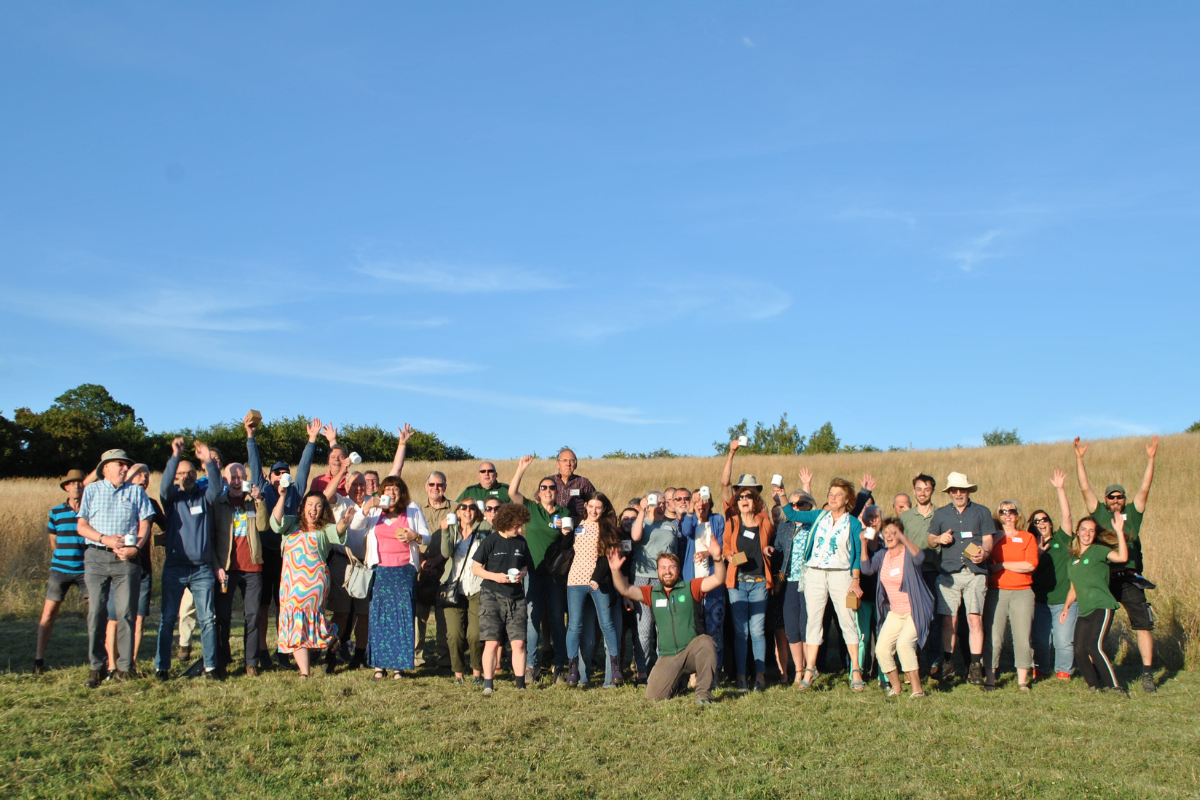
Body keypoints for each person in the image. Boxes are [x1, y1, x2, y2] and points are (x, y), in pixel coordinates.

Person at [1074, 435, 1159, 693]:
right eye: (1111, 497)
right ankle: (1096, 675)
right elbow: (1084, 488)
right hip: (1103, 578)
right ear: (1106, 499)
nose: (1115, 500)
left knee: (1142, 624)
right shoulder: (1099, 513)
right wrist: (1079, 460)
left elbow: (1144, 488)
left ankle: (1147, 674)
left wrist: (1151, 459)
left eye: (1119, 496)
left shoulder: (1133, 512)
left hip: (1130, 577)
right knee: (1092, 624)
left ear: (1124, 498)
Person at [607, 535, 728, 703]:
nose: (668, 571)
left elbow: (718, 579)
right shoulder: (652, 593)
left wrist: (717, 557)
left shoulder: (691, 587)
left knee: (706, 642)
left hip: (691, 651)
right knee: (653, 697)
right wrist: (615, 571)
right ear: (657, 571)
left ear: (678, 570)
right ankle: (680, 681)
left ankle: (703, 694)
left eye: (672, 567)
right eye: (663, 568)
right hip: (668, 656)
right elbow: (625, 589)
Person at [777, 475, 866, 692]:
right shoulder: (819, 516)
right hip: (815, 574)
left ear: (847, 500)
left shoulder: (853, 523)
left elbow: (855, 555)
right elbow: (790, 514)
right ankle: (810, 669)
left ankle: (855, 669)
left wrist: (855, 580)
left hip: (841, 575)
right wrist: (781, 494)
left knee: (847, 621)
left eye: (838, 495)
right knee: (813, 621)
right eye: (831, 494)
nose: (833, 498)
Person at [75, 449, 155, 687]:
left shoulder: (135, 492)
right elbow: (81, 525)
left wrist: (137, 548)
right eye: (120, 464)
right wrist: (104, 538)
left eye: (125, 465)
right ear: (105, 468)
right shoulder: (92, 491)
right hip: (97, 557)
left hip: (127, 561)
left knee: (127, 614)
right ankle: (96, 667)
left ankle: (125, 668)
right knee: (96, 614)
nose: (124, 468)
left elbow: (145, 524)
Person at [245, 413, 319, 669]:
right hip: (265, 553)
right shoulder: (263, 488)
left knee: (285, 605)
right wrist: (251, 437)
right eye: (276, 473)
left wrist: (311, 440)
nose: (281, 476)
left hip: (290, 559)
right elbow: (254, 465)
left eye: (284, 472)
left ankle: (284, 647)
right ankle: (263, 649)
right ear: (270, 476)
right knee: (264, 604)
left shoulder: (296, 490)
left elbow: (306, 467)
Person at [155, 439, 224, 679]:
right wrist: (175, 456)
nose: (186, 476)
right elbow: (163, 488)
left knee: (207, 618)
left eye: (190, 472)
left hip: (202, 568)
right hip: (175, 567)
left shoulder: (204, 496)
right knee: (168, 618)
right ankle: (161, 667)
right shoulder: (172, 499)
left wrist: (207, 460)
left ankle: (211, 667)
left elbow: (217, 488)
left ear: (197, 474)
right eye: (181, 473)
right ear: (176, 476)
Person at [349, 476, 430, 680]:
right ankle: (379, 665)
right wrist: (367, 506)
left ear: (402, 492)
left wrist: (415, 537)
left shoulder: (412, 509)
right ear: (381, 493)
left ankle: (398, 667)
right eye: (387, 489)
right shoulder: (376, 510)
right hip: (380, 571)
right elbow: (356, 526)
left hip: (404, 571)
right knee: (379, 618)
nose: (391, 493)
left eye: (395, 489)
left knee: (402, 618)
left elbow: (426, 536)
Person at [926, 471, 996, 686]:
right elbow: (930, 540)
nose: (958, 493)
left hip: (975, 571)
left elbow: (988, 542)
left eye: (962, 490)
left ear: (968, 491)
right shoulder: (940, 514)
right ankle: (948, 663)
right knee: (949, 620)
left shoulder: (982, 512)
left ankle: (976, 666)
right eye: (954, 490)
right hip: (948, 574)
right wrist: (939, 538)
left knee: (974, 618)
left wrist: (983, 553)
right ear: (949, 493)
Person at [507, 455, 571, 683]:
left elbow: (571, 541)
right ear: (538, 492)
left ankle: (560, 666)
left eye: (552, 487)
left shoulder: (563, 513)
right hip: (532, 573)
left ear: (556, 492)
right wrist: (521, 468)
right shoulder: (531, 510)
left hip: (555, 576)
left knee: (556, 619)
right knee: (532, 620)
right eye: (543, 487)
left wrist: (567, 533)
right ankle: (531, 666)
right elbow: (512, 493)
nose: (547, 490)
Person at [269, 489, 346, 677]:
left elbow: (338, 532)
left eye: (319, 506)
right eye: (310, 505)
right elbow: (275, 523)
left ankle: (330, 633)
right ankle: (305, 672)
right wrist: (282, 496)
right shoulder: (291, 524)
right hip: (289, 584)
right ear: (303, 507)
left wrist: (345, 520)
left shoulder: (324, 528)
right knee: (295, 625)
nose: (314, 509)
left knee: (307, 620)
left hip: (314, 584)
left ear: (323, 510)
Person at [719, 439, 776, 692]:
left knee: (759, 632)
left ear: (756, 499)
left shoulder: (764, 522)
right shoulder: (731, 519)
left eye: (749, 495)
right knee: (741, 633)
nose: (744, 499)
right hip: (737, 584)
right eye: (740, 495)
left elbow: (769, 545)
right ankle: (741, 677)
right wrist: (731, 453)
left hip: (760, 583)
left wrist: (768, 550)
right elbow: (724, 484)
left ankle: (760, 676)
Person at [859, 517, 934, 698]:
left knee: (903, 645)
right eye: (886, 533)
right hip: (895, 611)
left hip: (915, 610)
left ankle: (917, 690)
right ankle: (896, 687)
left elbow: (920, 556)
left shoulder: (907, 553)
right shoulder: (882, 555)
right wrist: (863, 544)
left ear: (900, 534)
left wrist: (904, 538)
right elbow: (867, 569)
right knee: (882, 649)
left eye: (894, 532)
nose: (889, 536)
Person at [471, 503, 534, 696]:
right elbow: (476, 568)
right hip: (491, 594)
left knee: (519, 643)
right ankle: (488, 683)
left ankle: (520, 684)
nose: (519, 529)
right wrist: (495, 576)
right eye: (516, 525)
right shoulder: (490, 541)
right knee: (492, 642)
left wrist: (522, 574)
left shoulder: (521, 543)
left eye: (521, 525)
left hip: (516, 597)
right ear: (506, 522)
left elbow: (525, 566)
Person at [214, 462, 270, 676]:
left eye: (241, 477)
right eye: (233, 477)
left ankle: (251, 662)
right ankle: (222, 657)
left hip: (252, 567)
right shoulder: (218, 503)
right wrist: (216, 565)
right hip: (227, 569)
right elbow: (211, 537)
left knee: (253, 615)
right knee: (223, 616)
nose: (237, 481)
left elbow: (263, 526)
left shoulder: (251, 503)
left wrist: (260, 501)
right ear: (226, 480)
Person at [1063, 514, 1130, 692]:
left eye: (1091, 531)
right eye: (1084, 529)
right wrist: (1066, 607)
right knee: (1079, 650)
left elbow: (1122, 557)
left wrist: (1120, 532)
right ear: (1077, 532)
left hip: (1102, 605)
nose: (1087, 533)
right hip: (1084, 610)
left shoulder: (1099, 550)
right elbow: (1073, 588)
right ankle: (1094, 686)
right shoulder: (1072, 559)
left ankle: (1115, 687)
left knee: (1094, 646)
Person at [564, 493, 623, 687]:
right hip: (575, 580)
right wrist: (563, 534)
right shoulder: (576, 524)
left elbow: (609, 557)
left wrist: (596, 579)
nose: (594, 511)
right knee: (574, 625)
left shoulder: (607, 528)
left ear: (604, 508)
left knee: (607, 624)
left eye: (598, 507)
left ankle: (614, 667)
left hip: (598, 581)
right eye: (591, 506)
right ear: (585, 506)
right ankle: (573, 668)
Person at [34, 470, 89, 674]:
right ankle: (38, 660)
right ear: (66, 487)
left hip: (86, 570)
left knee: (95, 614)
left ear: (84, 486)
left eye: (79, 483)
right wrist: (61, 559)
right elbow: (53, 542)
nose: (76, 486)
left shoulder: (91, 510)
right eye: (72, 483)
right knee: (48, 615)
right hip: (60, 570)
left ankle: (97, 659)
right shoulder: (56, 512)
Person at [982, 500, 1039, 691]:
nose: (1007, 515)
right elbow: (979, 554)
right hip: (996, 592)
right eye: (1003, 511)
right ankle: (990, 678)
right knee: (994, 637)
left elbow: (1030, 565)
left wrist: (1003, 565)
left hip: (1022, 593)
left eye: (1011, 511)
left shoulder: (1027, 537)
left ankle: (1022, 680)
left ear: (1018, 515)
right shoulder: (991, 537)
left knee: (1022, 637)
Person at [321, 463, 371, 673]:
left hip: (366, 564)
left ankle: (359, 655)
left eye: (362, 484)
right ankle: (331, 653)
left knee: (363, 612)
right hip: (342, 560)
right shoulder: (340, 502)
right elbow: (325, 495)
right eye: (354, 484)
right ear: (346, 486)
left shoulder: (373, 503)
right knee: (341, 612)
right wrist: (342, 470)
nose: (359, 488)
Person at [1030, 469, 1077, 681]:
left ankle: (1063, 671)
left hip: (1063, 601)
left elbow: (1067, 516)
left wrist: (1060, 489)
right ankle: (1040, 669)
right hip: (1040, 601)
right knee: (1040, 640)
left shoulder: (1062, 539)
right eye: (1036, 521)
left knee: (1063, 640)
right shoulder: (1029, 544)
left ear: (1050, 522)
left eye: (1044, 519)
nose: (1041, 523)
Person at [771, 487, 817, 690]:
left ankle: (810, 668)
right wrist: (770, 549)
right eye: (793, 504)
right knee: (791, 628)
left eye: (801, 504)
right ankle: (799, 670)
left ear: (810, 506)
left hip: (811, 581)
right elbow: (780, 549)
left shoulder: (816, 524)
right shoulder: (784, 526)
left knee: (807, 626)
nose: (796, 508)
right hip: (790, 581)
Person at [629, 491, 677, 683]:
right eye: (657, 502)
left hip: (664, 578)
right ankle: (642, 670)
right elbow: (635, 536)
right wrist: (642, 510)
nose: (661, 505)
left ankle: (662, 669)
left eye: (664, 502)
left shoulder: (670, 525)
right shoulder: (642, 522)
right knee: (644, 626)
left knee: (662, 625)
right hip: (642, 578)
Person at [439, 499, 489, 684]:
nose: (467, 511)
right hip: (454, 588)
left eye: (472, 508)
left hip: (477, 587)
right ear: (457, 512)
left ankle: (477, 672)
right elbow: (445, 553)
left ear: (476, 512)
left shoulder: (483, 530)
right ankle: (458, 673)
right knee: (454, 634)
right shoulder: (451, 530)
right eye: (463, 507)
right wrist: (444, 531)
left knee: (475, 634)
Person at [679, 488, 727, 677]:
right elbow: (686, 531)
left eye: (704, 499)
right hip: (693, 583)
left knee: (715, 629)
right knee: (694, 629)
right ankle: (694, 672)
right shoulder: (690, 520)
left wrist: (709, 553)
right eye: (697, 500)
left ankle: (714, 671)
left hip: (714, 583)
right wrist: (691, 509)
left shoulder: (717, 520)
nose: (701, 503)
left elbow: (722, 544)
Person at [899, 473, 940, 676]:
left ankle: (934, 662)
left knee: (933, 619)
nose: (922, 493)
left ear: (932, 491)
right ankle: (911, 664)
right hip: (912, 574)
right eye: (919, 489)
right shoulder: (905, 518)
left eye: (927, 489)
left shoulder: (941, 515)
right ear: (913, 491)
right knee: (911, 619)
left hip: (935, 573)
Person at [551, 448, 597, 520]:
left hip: (577, 527)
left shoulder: (583, 482)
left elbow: (597, 502)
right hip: (553, 525)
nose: (568, 464)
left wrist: (585, 509)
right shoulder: (549, 482)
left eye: (572, 461)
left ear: (575, 465)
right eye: (564, 460)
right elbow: (538, 503)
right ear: (557, 464)